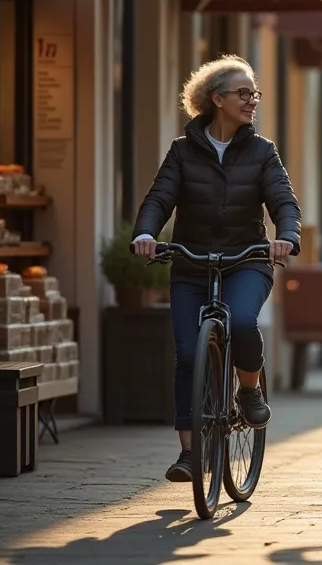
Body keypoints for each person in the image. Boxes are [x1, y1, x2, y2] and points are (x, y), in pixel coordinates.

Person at [131, 55, 301, 483]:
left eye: (254, 94)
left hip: (247, 261)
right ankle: (190, 453)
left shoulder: (263, 152)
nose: (252, 101)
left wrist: (287, 235)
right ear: (216, 99)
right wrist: (146, 233)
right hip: (192, 262)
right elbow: (159, 198)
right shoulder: (182, 151)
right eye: (243, 93)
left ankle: (248, 389)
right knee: (188, 354)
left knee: (242, 321)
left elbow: (283, 200)